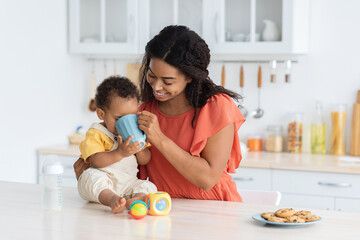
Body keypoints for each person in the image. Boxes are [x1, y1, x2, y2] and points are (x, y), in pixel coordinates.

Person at [74, 25, 245, 202]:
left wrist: (160, 138)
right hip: (161, 206)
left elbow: (207, 179)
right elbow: (130, 171)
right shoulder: (144, 110)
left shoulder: (216, 107)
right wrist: (92, 172)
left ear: (190, 77)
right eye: (152, 75)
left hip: (214, 207)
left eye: (168, 81)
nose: (156, 86)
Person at [77, 76, 157, 214]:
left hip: (127, 183)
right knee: (89, 177)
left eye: (131, 117)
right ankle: (112, 199)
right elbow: (95, 161)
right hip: (104, 182)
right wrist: (120, 153)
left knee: (148, 185)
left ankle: (136, 200)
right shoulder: (96, 132)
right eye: (119, 119)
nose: (126, 122)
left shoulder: (136, 132)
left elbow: (145, 160)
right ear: (101, 114)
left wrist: (140, 149)